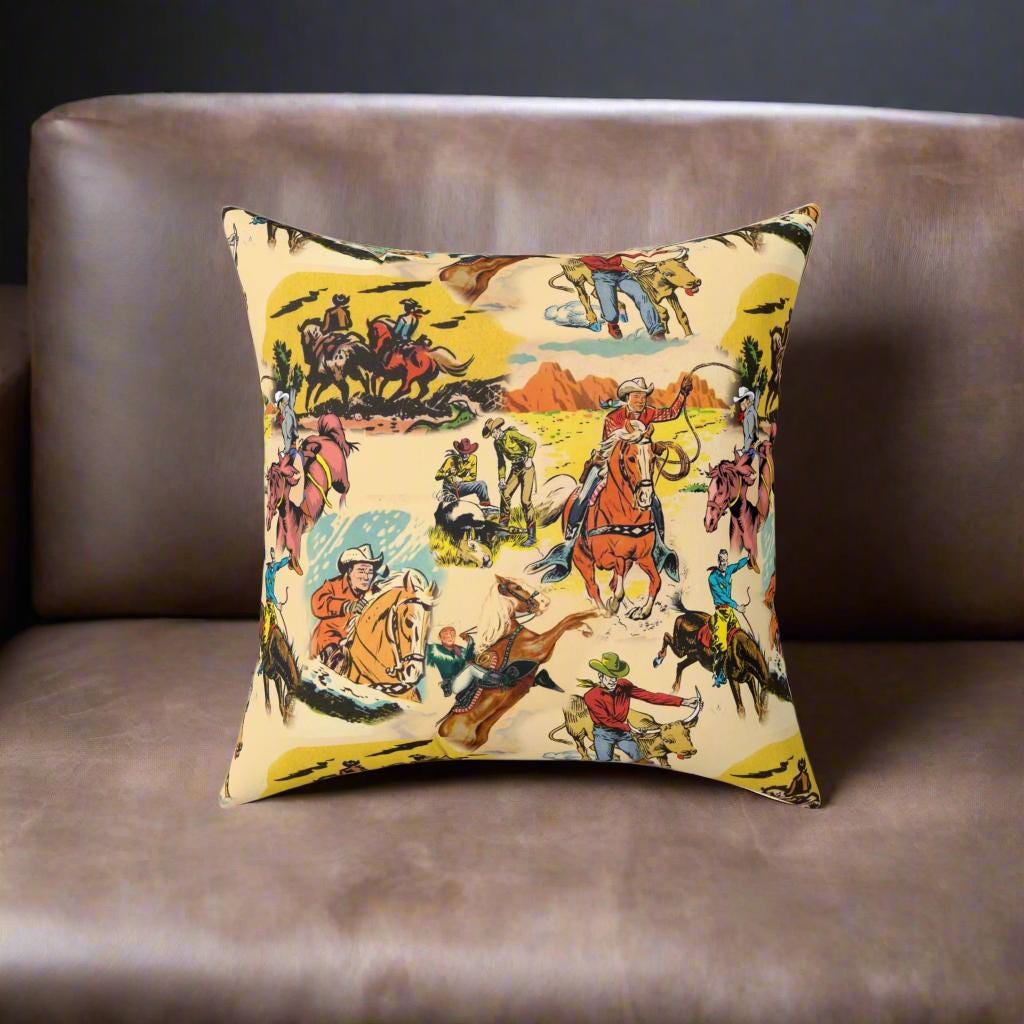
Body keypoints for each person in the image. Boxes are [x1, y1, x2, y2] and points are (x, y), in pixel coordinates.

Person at [529, 375, 692, 581]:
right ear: (627, 398)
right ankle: (568, 546)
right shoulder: (613, 418)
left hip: (636, 468)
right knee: (583, 495)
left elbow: (671, 413)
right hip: (607, 465)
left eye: (643, 396)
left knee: (655, 502)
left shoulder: (649, 413)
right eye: (636, 396)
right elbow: (610, 448)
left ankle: (659, 547)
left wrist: (683, 394)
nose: (641, 400)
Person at [581, 652, 695, 762]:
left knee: (639, 757)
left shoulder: (624, 685)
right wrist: (630, 728)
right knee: (604, 762)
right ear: (600, 676)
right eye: (609, 677)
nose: (613, 681)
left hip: (622, 733)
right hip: (603, 733)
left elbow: (651, 696)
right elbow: (607, 721)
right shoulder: (591, 696)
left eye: (615, 677)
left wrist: (684, 702)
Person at [310, 544, 385, 670]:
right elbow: (317, 603)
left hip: (357, 649)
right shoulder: (333, 586)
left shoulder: (372, 594)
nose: (366, 577)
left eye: (370, 572)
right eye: (361, 571)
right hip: (328, 647)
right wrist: (346, 606)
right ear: (349, 571)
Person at [579, 250, 667, 339]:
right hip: (602, 276)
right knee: (611, 314)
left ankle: (656, 330)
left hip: (621, 274)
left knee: (641, 295)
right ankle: (612, 324)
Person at [482, 417, 538, 545]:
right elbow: (501, 462)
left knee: (525, 501)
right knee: (505, 493)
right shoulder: (497, 443)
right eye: (491, 434)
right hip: (515, 469)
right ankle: (503, 527)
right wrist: (502, 479)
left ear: (497, 429)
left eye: (493, 433)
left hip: (527, 468)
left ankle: (531, 535)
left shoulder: (511, 434)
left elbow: (532, 443)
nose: (493, 436)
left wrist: (529, 459)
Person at [707, 549, 750, 687]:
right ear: (718, 561)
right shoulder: (712, 578)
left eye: (725, 561)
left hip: (730, 613)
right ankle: (718, 673)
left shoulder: (729, 569)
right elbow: (722, 596)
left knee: (740, 636)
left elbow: (737, 565)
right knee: (722, 645)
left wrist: (748, 559)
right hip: (720, 614)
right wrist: (737, 606)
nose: (724, 563)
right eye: (721, 561)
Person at [435, 438, 497, 513]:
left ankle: (486, 507)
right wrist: (448, 474)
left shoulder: (473, 458)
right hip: (449, 488)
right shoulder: (450, 460)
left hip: (460, 485)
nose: (465, 455)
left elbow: (473, 476)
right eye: (463, 453)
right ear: (459, 452)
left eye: (468, 453)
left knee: (481, 484)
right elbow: (437, 476)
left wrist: (461, 479)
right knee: (451, 505)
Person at [427, 626, 474, 697]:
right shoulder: (434, 649)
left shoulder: (462, 650)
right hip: (454, 684)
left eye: (452, 633)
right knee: (471, 668)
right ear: (439, 637)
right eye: (445, 633)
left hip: (467, 680)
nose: (449, 636)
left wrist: (470, 641)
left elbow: (471, 659)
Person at [733, 385, 761, 458]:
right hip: (750, 447)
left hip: (751, 449)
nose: (740, 403)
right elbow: (756, 401)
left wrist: (743, 451)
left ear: (747, 400)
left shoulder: (749, 414)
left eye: (742, 400)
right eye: (740, 400)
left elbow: (750, 437)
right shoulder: (750, 410)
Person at [274, 387, 299, 456]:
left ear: (280, 404)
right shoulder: (286, 413)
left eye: (285, 402)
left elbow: (289, 435)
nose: (286, 403)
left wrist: (285, 451)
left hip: (291, 449)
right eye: (285, 401)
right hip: (290, 447)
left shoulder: (287, 415)